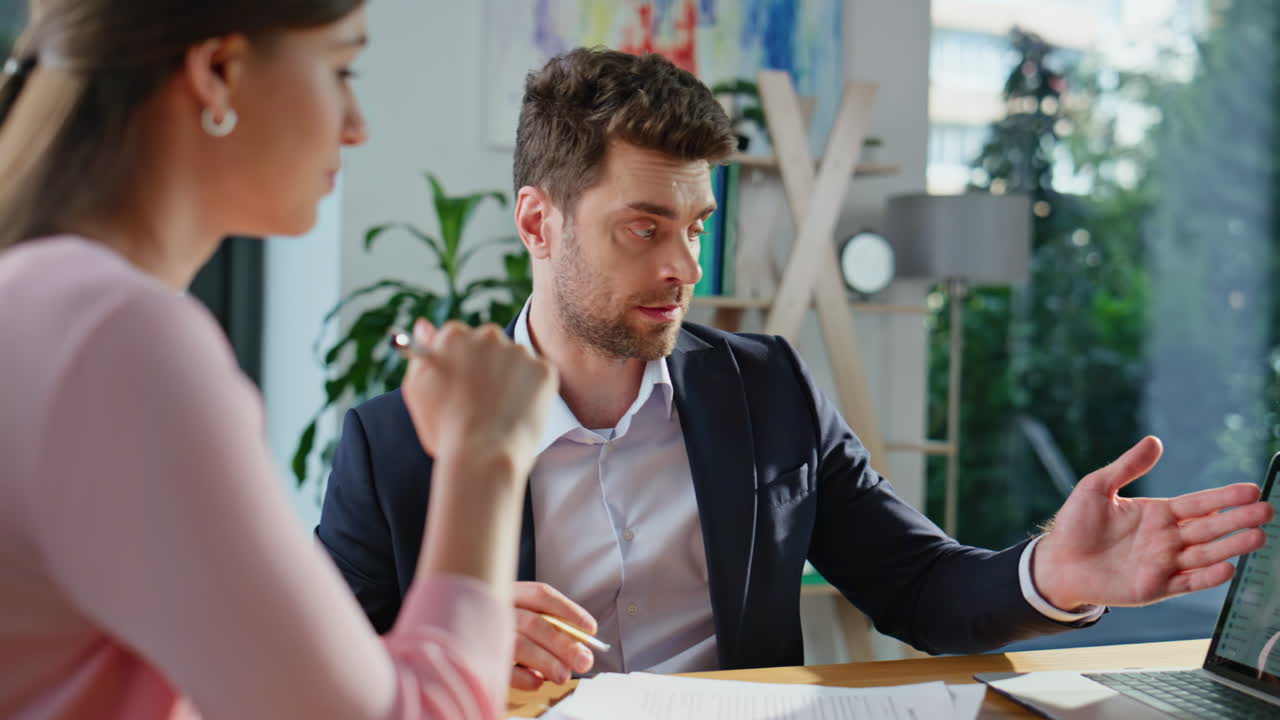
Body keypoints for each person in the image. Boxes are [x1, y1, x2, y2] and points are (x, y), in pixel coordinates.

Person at [317, 47, 1275, 690]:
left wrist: (1053, 573)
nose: (685, 269)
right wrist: (443, 645)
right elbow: (312, 670)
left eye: (696, 227)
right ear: (538, 222)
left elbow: (917, 587)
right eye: (644, 228)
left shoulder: (765, 388)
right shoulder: (396, 440)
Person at [0, 2, 558, 719]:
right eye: (341, 69)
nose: (358, 125)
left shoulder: (45, 303)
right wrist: (486, 453)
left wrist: (449, 634)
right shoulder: (121, 340)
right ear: (218, 71)